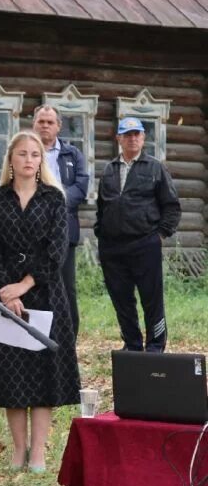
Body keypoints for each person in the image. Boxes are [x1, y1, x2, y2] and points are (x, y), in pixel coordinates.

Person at [0, 131, 80, 472]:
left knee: (43, 374)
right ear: (11, 159)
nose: (29, 159)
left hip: (45, 292)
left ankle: (38, 454)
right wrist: (6, 290)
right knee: (11, 373)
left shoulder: (53, 199)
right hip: (5, 298)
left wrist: (25, 284)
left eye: (35, 154)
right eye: (22, 153)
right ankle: (18, 451)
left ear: (41, 161)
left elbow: (57, 250)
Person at [95, 117, 181, 352]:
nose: (132, 138)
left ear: (143, 138)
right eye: (127, 134)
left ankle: (155, 347)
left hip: (145, 244)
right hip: (113, 248)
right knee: (122, 301)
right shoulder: (109, 169)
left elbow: (171, 205)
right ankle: (132, 345)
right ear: (119, 139)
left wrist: (160, 235)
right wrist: (101, 235)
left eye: (137, 134)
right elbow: (102, 207)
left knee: (151, 300)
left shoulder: (155, 167)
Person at [32, 104, 89, 337]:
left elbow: (81, 186)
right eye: (41, 121)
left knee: (66, 287)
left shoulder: (72, 154)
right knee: (34, 283)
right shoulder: (25, 152)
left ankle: (68, 339)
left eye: (50, 122)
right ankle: (36, 338)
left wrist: (55, 203)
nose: (45, 126)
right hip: (32, 229)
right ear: (34, 124)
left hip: (64, 230)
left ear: (59, 127)